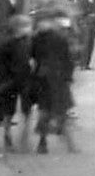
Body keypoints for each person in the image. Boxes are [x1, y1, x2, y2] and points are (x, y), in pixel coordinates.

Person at [30, 9, 78, 154]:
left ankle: (43, 142)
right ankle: (69, 144)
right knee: (60, 111)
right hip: (57, 78)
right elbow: (68, 59)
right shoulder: (59, 38)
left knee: (45, 111)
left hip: (43, 78)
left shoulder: (36, 38)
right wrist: (69, 77)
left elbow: (32, 57)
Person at [0, 14, 34, 152]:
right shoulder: (8, 44)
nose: (29, 29)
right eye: (26, 26)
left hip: (23, 79)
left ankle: (23, 135)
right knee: (10, 110)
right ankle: (8, 134)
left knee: (25, 108)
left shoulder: (29, 42)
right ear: (17, 28)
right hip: (12, 80)